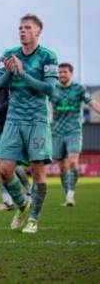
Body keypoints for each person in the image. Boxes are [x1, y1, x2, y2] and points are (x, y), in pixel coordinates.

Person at [0, 14, 58, 234]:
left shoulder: (48, 56)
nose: (22, 31)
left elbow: (50, 89)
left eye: (27, 28)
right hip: (13, 119)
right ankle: (22, 205)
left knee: (38, 171)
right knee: (4, 169)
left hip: (37, 119)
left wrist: (23, 72)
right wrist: (11, 72)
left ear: (38, 31)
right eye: (20, 27)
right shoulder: (9, 55)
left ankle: (33, 219)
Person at [50, 62, 100, 206]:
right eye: (60, 72)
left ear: (71, 73)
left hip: (74, 131)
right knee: (63, 167)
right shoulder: (53, 89)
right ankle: (68, 195)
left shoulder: (79, 89)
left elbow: (92, 103)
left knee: (73, 161)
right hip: (56, 132)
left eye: (65, 72)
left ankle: (71, 195)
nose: (62, 75)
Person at [0, 88, 31, 212]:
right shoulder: (1, 83)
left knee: (8, 164)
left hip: (11, 126)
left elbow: (13, 101)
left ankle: (28, 189)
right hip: (0, 128)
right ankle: (7, 200)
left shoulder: (13, 81)